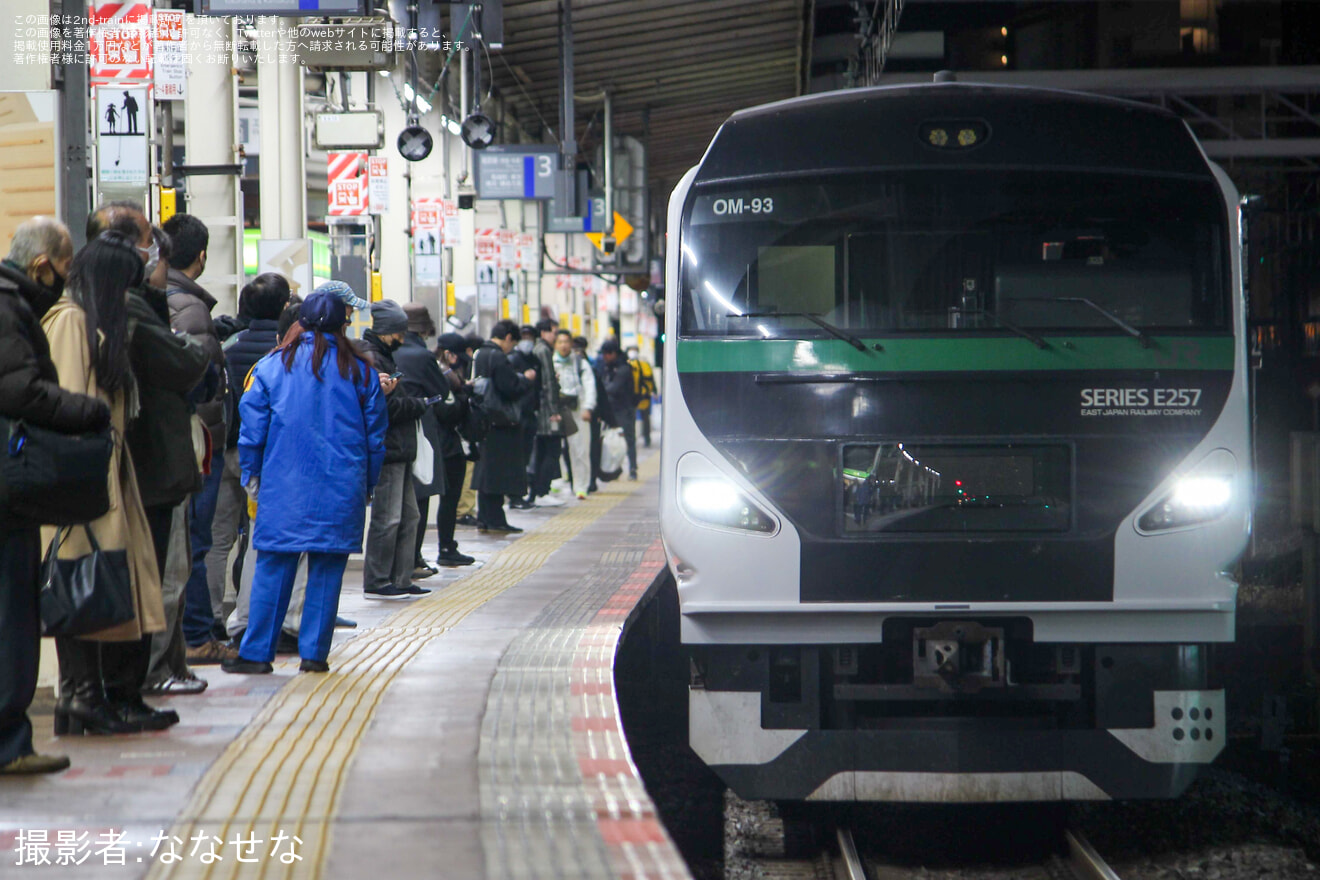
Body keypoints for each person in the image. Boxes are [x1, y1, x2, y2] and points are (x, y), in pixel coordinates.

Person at [43, 231, 169, 734]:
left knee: (101, 585)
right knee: (81, 586)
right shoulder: (72, 322)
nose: (126, 300)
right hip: (83, 480)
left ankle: (94, 696)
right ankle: (82, 696)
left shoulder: (87, 322)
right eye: (123, 288)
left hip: (103, 475)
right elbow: (71, 402)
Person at [222, 290, 387, 674]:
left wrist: (252, 475)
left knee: (273, 567)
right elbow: (375, 436)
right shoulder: (361, 371)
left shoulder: (271, 366)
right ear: (341, 325)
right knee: (327, 571)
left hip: (283, 484)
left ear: (302, 322)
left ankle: (257, 653)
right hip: (342, 485)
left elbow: (252, 430)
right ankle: (314, 655)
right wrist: (367, 484)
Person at [0, 218, 110, 773]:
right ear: (44, 264)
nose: (64, 280)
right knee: (11, 612)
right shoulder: (7, 306)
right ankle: (9, 745)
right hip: (6, 490)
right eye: (64, 268)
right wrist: (87, 411)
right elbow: (20, 389)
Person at [122, 223, 214, 695]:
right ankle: (153, 673)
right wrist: (197, 352)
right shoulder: (146, 309)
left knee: (169, 565)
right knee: (167, 569)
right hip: (157, 457)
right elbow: (191, 366)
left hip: (148, 457)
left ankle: (164, 666)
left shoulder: (148, 305)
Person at [161, 213, 231, 661]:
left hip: (176, 439)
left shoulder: (164, 298)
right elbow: (195, 378)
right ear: (201, 256)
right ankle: (197, 637)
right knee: (195, 542)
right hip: (195, 440)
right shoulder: (190, 307)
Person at [207, 273, 290, 635]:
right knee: (261, 538)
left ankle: (209, 619)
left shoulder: (229, 346)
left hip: (226, 451)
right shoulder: (286, 352)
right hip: (270, 460)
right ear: (285, 307)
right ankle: (256, 617)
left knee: (218, 538)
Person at [361, 300, 430, 599]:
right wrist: (418, 405)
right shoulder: (373, 358)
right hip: (388, 448)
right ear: (388, 331)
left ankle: (401, 578)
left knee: (409, 516)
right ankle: (377, 580)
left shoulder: (384, 356)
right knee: (387, 518)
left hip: (399, 447)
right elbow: (384, 406)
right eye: (399, 331)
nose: (403, 337)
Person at [397, 304, 466, 575]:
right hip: (420, 428)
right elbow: (441, 390)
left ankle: (398, 563)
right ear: (425, 329)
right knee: (421, 497)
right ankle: (413, 559)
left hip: (390, 429)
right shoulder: (422, 356)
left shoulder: (389, 353)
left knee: (394, 505)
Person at [472, 320, 535, 533]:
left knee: (487, 472)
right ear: (508, 338)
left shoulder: (480, 353)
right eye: (513, 343)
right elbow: (510, 388)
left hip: (484, 417)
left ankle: (485, 517)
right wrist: (525, 380)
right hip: (501, 421)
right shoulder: (498, 356)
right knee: (498, 473)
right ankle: (496, 519)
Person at [431, 333, 476, 566]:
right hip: (446, 444)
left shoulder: (443, 372)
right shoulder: (442, 375)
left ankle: (447, 546)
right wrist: (463, 396)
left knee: (449, 500)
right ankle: (446, 547)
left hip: (448, 443)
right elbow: (445, 412)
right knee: (449, 500)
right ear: (448, 354)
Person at [522, 319, 564, 508]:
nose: (556, 337)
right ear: (545, 332)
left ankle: (537, 492)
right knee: (552, 450)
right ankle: (541, 490)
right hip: (547, 412)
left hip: (540, 409)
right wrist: (554, 411)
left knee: (542, 451)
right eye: (554, 332)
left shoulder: (538, 350)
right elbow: (547, 383)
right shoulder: (544, 350)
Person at [553, 330, 596, 500]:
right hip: (556, 411)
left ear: (571, 344)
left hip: (577, 411)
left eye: (566, 342)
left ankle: (581, 486)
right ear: (555, 345)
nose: (563, 345)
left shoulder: (580, 363)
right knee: (553, 448)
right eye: (560, 342)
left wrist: (588, 407)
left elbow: (590, 386)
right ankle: (554, 482)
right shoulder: (550, 362)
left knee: (580, 450)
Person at [506, 325, 540, 511]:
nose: (527, 340)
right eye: (524, 336)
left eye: (530, 336)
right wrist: (525, 379)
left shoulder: (534, 359)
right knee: (517, 458)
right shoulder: (513, 359)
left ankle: (522, 494)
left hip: (529, 414)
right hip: (517, 415)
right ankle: (515, 496)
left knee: (526, 457)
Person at [599, 338, 639, 481]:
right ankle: (614, 470)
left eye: (608, 353)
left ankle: (633, 468)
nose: (605, 357)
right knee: (610, 441)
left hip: (624, 410)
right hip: (611, 409)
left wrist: (601, 391)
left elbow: (613, 388)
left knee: (628, 440)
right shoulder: (607, 367)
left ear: (615, 353)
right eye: (604, 354)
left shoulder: (623, 368)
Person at [627, 345, 657, 448]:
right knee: (636, 419)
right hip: (639, 396)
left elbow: (651, 378)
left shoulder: (643, 364)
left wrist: (654, 391)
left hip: (642, 396)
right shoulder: (629, 364)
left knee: (643, 418)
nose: (633, 352)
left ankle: (645, 438)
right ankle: (638, 438)